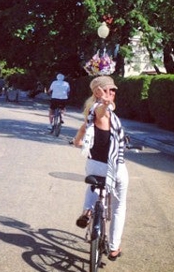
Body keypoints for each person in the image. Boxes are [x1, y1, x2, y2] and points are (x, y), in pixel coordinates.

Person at [72, 76, 128, 261]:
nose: (112, 93)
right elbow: (102, 113)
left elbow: (84, 129)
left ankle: (88, 211)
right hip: (114, 168)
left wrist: (77, 141)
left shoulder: (90, 111)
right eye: (108, 90)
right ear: (98, 92)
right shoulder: (102, 111)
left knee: (93, 186)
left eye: (113, 90)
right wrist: (104, 104)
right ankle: (114, 247)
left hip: (94, 166)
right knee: (119, 207)